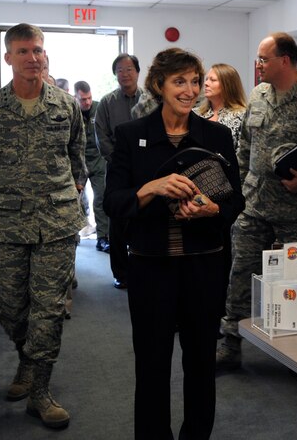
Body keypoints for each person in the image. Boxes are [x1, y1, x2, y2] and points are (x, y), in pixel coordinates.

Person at [103, 47, 244, 440]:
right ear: (158, 85)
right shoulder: (131, 136)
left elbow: (235, 201)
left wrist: (211, 208)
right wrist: (151, 187)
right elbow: (113, 202)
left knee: (201, 365)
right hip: (151, 268)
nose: (190, 90)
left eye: (195, 81)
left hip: (204, 267)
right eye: (179, 81)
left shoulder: (215, 135)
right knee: (152, 366)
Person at [0, 23, 86, 429]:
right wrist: (8, 196)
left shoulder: (65, 105)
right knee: (10, 306)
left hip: (56, 222)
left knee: (49, 309)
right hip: (7, 222)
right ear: (8, 58)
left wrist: (71, 194)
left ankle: (40, 389)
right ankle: (26, 359)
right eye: (23, 51)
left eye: (37, 50)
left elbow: (77, 157)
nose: (32, 58)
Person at [217, 32, 297, 370]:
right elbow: (246, 145)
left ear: (285, 61)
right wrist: (240, 185)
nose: (258, 65)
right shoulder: (259, 94)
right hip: (255, 204)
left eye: (263, 59)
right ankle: (231, 342)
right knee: (240, 273)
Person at [94, 53, 145, 285]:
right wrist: (118, 159)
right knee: (117, 222)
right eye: (120, 70)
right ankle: (121, 274)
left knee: (143, 218)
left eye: (129, 69)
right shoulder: (107, 102)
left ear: (137, 72)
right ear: (115, 74)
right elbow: (101, 134)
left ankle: (143, 270)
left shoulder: (150, 100)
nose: (125, 74)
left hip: (145, 168)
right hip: (117, 168)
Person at [74, 80, 108, 250]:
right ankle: (72, 236)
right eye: (83, 99)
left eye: (89, 98)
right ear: (76, 97)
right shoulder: (71, 111)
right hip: (79, 162)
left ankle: (103, 237)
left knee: (101, 198)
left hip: (97, 160)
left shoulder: (99, 108)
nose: (87, 102)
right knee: (73, 201)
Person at [195, 62, 248, 150]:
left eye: (212, 80)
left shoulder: (242, 116)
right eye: (207, 79)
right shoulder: (196, 114)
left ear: (227, 85)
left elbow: (244, 153)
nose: (206, 83)